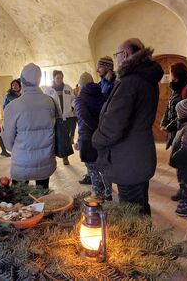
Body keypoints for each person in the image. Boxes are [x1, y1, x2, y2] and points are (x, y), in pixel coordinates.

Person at [92, 38, 163, 215]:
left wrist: (96, 139)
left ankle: (142, 243)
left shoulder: (130, 82)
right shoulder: (146, 78)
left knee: (131, 214)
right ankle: (149, 241)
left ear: (125, 54)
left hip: (128, 158)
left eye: (116, 55)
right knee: (140, 206)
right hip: (139, 154)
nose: (116, 60)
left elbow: (113, 126)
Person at [1, 63, 56, 189]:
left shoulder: (13, 106)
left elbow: (8, 142)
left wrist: (15, 149)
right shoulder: (49, 101)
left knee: (19, 201)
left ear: (22, 80)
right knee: (42, 198)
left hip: (22, 161)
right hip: (45, 159)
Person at [75, 72, 111, 200]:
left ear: (81, 84)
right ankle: (108, 194)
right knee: (104, 167)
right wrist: (101, 129)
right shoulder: (101, 94)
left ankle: (98, 195)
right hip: (103, 135)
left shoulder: (80, 98)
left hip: (88, 137)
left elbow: (83, 117)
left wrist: (94, 129)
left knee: (92, 167)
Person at [160, 63, 187, 201]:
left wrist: (170, 126)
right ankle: (182, 189)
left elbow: (186, 113)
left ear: (175, 73)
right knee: (179, 161)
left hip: (184, 130)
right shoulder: (175, 88)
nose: (169, 74)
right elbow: (169, 106)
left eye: (170, 71)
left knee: (186, 164)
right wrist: (163, 122)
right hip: (176, 130)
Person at [169, 99, 187, 217]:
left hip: (186, 162)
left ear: (183, 114)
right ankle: (186, 196)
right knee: (184, 180)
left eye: (178, 113)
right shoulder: (184, 124)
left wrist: (176, 157)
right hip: (183, 163)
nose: (177, 115)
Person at [44, 70, 74, 165]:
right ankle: (53, 159)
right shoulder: (48, 90)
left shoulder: (68, 88)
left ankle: (65, 157)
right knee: (54, 139)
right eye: (57, 78)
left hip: (66, 116)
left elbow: (73, 99)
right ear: (53, 78)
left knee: (66, 138)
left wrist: (72, 107)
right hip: (54, 118)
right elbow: (46, 103)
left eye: (61, 77)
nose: (60, 79)